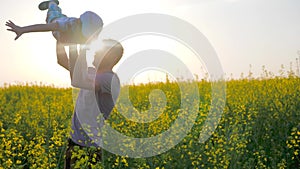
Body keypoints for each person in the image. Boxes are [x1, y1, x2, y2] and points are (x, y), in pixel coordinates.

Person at [56, 39, 123, 168]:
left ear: (111, 57)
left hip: (89, 146)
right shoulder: (90, 72)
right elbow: (62, 60)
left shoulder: (110, 80)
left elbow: (76, 80)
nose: (95, 52)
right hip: (74, 140)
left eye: (101, 50)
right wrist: (62, 38)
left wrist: (79, 46)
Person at [6, 0, 103, 44]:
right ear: (78, 22)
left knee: (60, 14)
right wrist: (22, 29)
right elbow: (44, 27)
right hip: (55, 19)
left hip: (64, 29)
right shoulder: (66, 25)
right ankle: (51, 2)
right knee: (54, 10)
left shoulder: (88, 39)